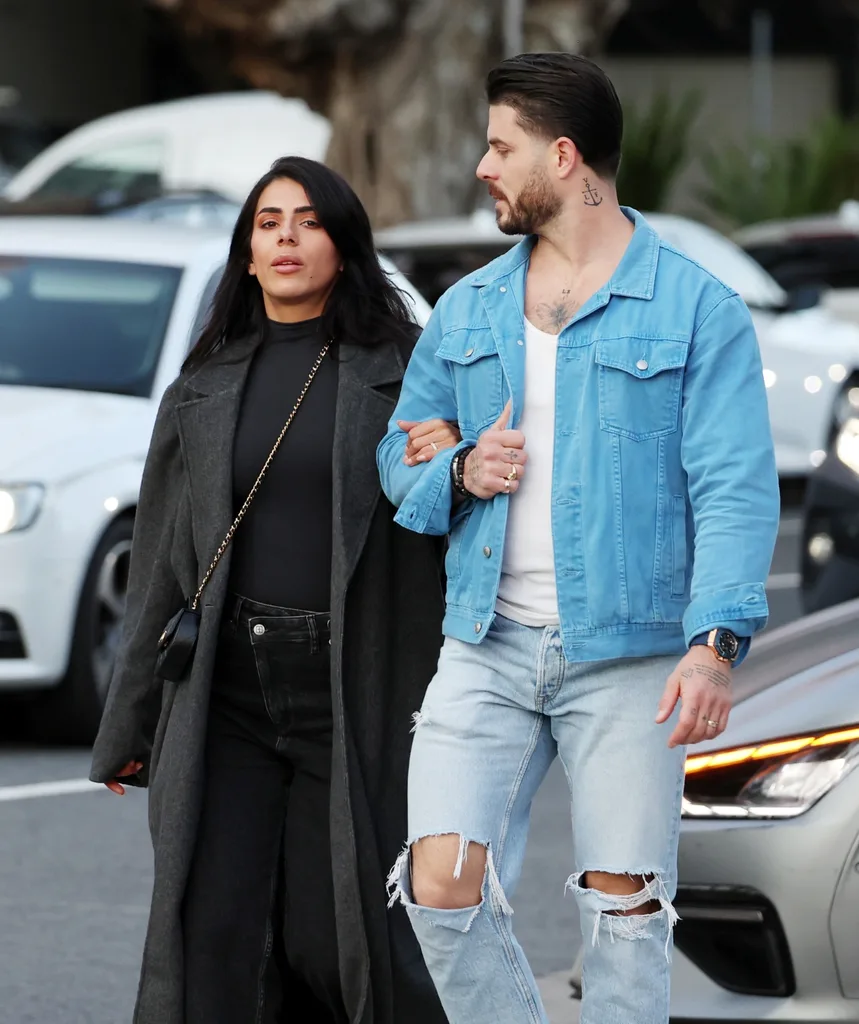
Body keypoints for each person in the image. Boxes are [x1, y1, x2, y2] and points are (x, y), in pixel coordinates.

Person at [378, 53, 780, 1024]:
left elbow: (731, 487)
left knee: (626, 919)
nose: (482, 166)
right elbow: (401, 456)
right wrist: (459, 470)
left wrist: (714, 643)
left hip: (632, 652)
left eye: (498, 146)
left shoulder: (696, 310)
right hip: (485, 640)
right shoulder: (468, 310)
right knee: (439, 884)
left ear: (561, 158)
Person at [89, 156, 457, 1024]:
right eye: (267, 222)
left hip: (355, 683)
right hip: (229, 688)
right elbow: (158, 567)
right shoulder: (203, 384)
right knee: (215, 937)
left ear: (345, 246)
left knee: (343, 939)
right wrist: (130, 726)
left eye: (308, 221)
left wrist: (449, 455)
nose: (286, 237)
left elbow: (455, 524)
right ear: (246, 255)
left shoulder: (408, 373)